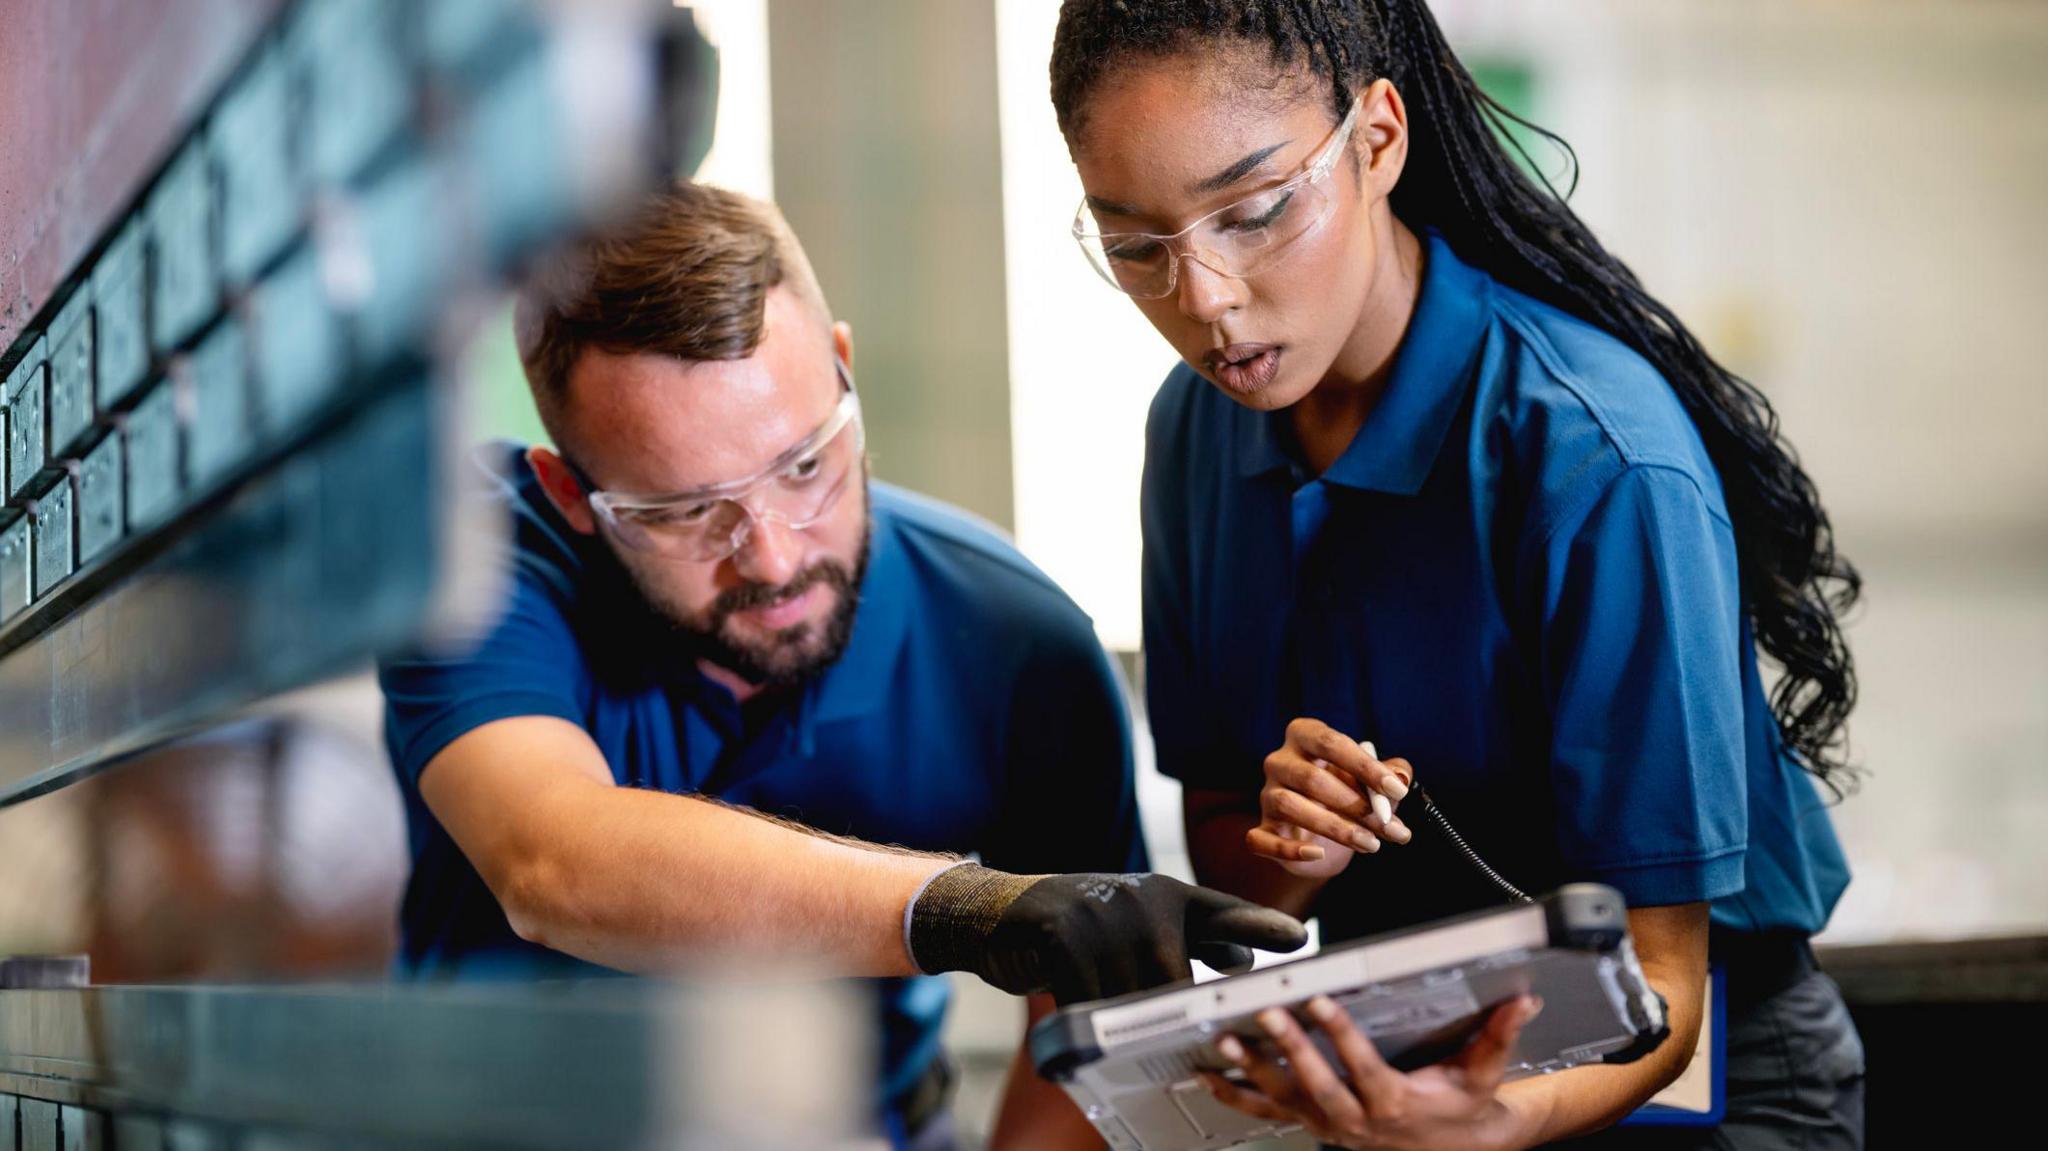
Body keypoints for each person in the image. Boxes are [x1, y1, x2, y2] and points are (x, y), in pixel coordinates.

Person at [1048, 0, 1865, 1146]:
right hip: (1405, 1066)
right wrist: (1292, 853)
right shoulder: (1196, 433)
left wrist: (1476, 1126)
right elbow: (1235, 857)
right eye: (1136, 244)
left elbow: (1664, 987)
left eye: (1255, 211)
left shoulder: (1590, 455)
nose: (1204, 298)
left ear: (1377, 141)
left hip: (1690, 1081)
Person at [377, 182, 1305, 1149]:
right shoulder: (474, 563)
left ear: (845, 372)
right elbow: (553, 860)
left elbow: (1079, 1040)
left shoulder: (1017, 646)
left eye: (804, 465)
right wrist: (966, 907)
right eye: (687, 511)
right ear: (570, 493)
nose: (774, 559)